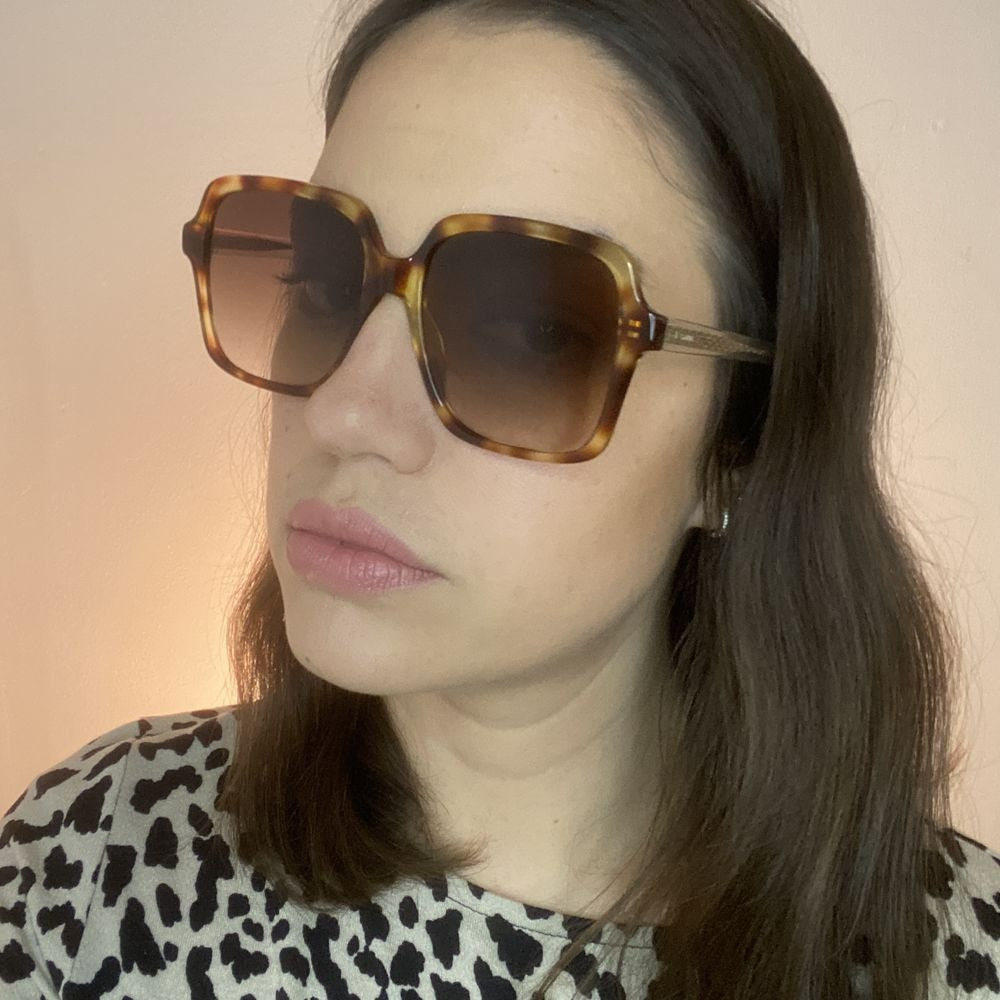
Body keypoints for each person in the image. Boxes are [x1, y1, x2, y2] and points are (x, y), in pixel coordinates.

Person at [2, 0, 998, 997]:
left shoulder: (953, 964)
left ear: (738, 446)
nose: (343, 412)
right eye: (325, 281)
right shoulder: (90, 868)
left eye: (530, 333)